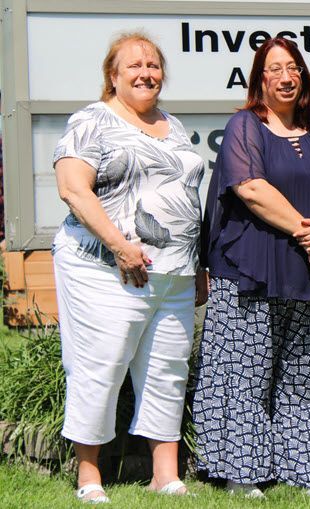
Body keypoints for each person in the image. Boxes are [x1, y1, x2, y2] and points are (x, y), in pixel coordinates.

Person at [192, 37, 310, 498]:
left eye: (294, 70)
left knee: (304, 371)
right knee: (245, 369)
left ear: (302, 78)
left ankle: (303, 472)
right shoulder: (244, 125)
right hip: (251, 267)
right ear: (260, 78)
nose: (286, 77)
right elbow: (250, 188)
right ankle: (241, 472)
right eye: (275, 69)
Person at [52, 32, 206, 503]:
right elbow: (73, 189)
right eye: (134, 66)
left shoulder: (174, 126)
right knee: (101, 365)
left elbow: (185, 197)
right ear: (113, 76)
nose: (146, 73)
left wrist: (196, 265)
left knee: (167, 369)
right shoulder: (91, 121)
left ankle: (165, 474)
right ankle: (89, 476)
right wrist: (120, 246)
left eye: (154, 65)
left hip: (174, 273)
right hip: (105, 269)